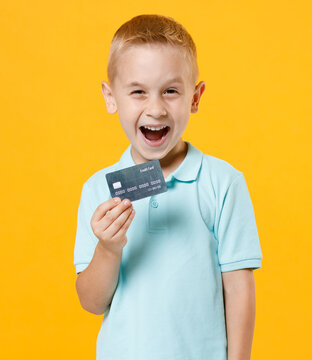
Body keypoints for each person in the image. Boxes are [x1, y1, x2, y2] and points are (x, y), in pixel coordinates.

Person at [74, 14, 263, 360]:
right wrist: (108, 247)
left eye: (171, 91)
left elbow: (239, 287)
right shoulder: (98, 190)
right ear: (110, 96)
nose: (156, 108)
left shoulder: (223, 183)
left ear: (195, 96)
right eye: (138, 92)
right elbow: (91, 301)